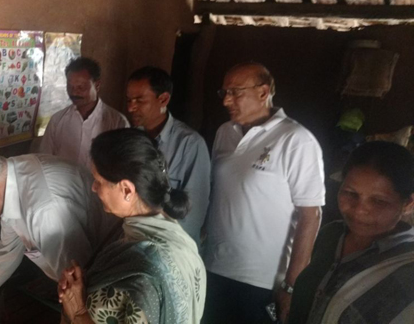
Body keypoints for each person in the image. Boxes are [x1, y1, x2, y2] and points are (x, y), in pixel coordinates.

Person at [0, 147, 117, 324]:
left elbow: (76, 284)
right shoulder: (9, 178)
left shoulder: (44, 211)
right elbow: (8, 253)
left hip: (105, 282)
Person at [203, 62, 325, 323]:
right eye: (224, 92)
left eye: (235, 92)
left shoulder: (296, 139)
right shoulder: (225, 132)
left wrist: (291, 286)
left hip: (261, 280)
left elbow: (310, 215)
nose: (226, 101)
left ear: (263, 92)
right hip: (213, 267)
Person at [58, 128, 206, 324]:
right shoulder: (178, 240)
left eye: (98, 181)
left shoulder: (146, 272)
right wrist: (87, 284)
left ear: (127, 190)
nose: (93, 188)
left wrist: (78, 311)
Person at [289, 141, 414, 324]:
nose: (359, 210)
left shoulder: (406, 267)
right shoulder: (331, 233)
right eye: (350, 193)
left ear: (408, 204)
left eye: (379, 201)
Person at [125, 66, 210, 244]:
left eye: (139, 100)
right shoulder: (132, 138)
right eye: (129, 100)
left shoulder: (190, 144)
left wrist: (164, 247)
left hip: (171, 244)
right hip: (136, 238)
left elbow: (193, 213)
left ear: (163, 99)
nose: (131, 107)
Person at [40, 57, 128, 167]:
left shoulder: (118, 123)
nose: (74, 92)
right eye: (70, 87)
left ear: (97, 85)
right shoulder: (57, 120)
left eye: (81, 87)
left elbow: (122, 166)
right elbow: (45, 159)